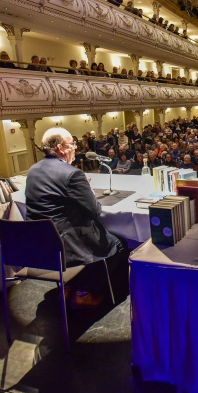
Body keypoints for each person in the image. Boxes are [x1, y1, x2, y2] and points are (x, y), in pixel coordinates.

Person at [25, 127, 128, 309]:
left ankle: (68, 285)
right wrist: (86, 190)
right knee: (118, 244)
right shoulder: (72, 173)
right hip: (68, 244)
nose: (75, 148)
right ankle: (85, 292)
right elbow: (96, 211)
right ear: (59, 148)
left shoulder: (33, 170)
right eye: (71, 144)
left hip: (42, 244)